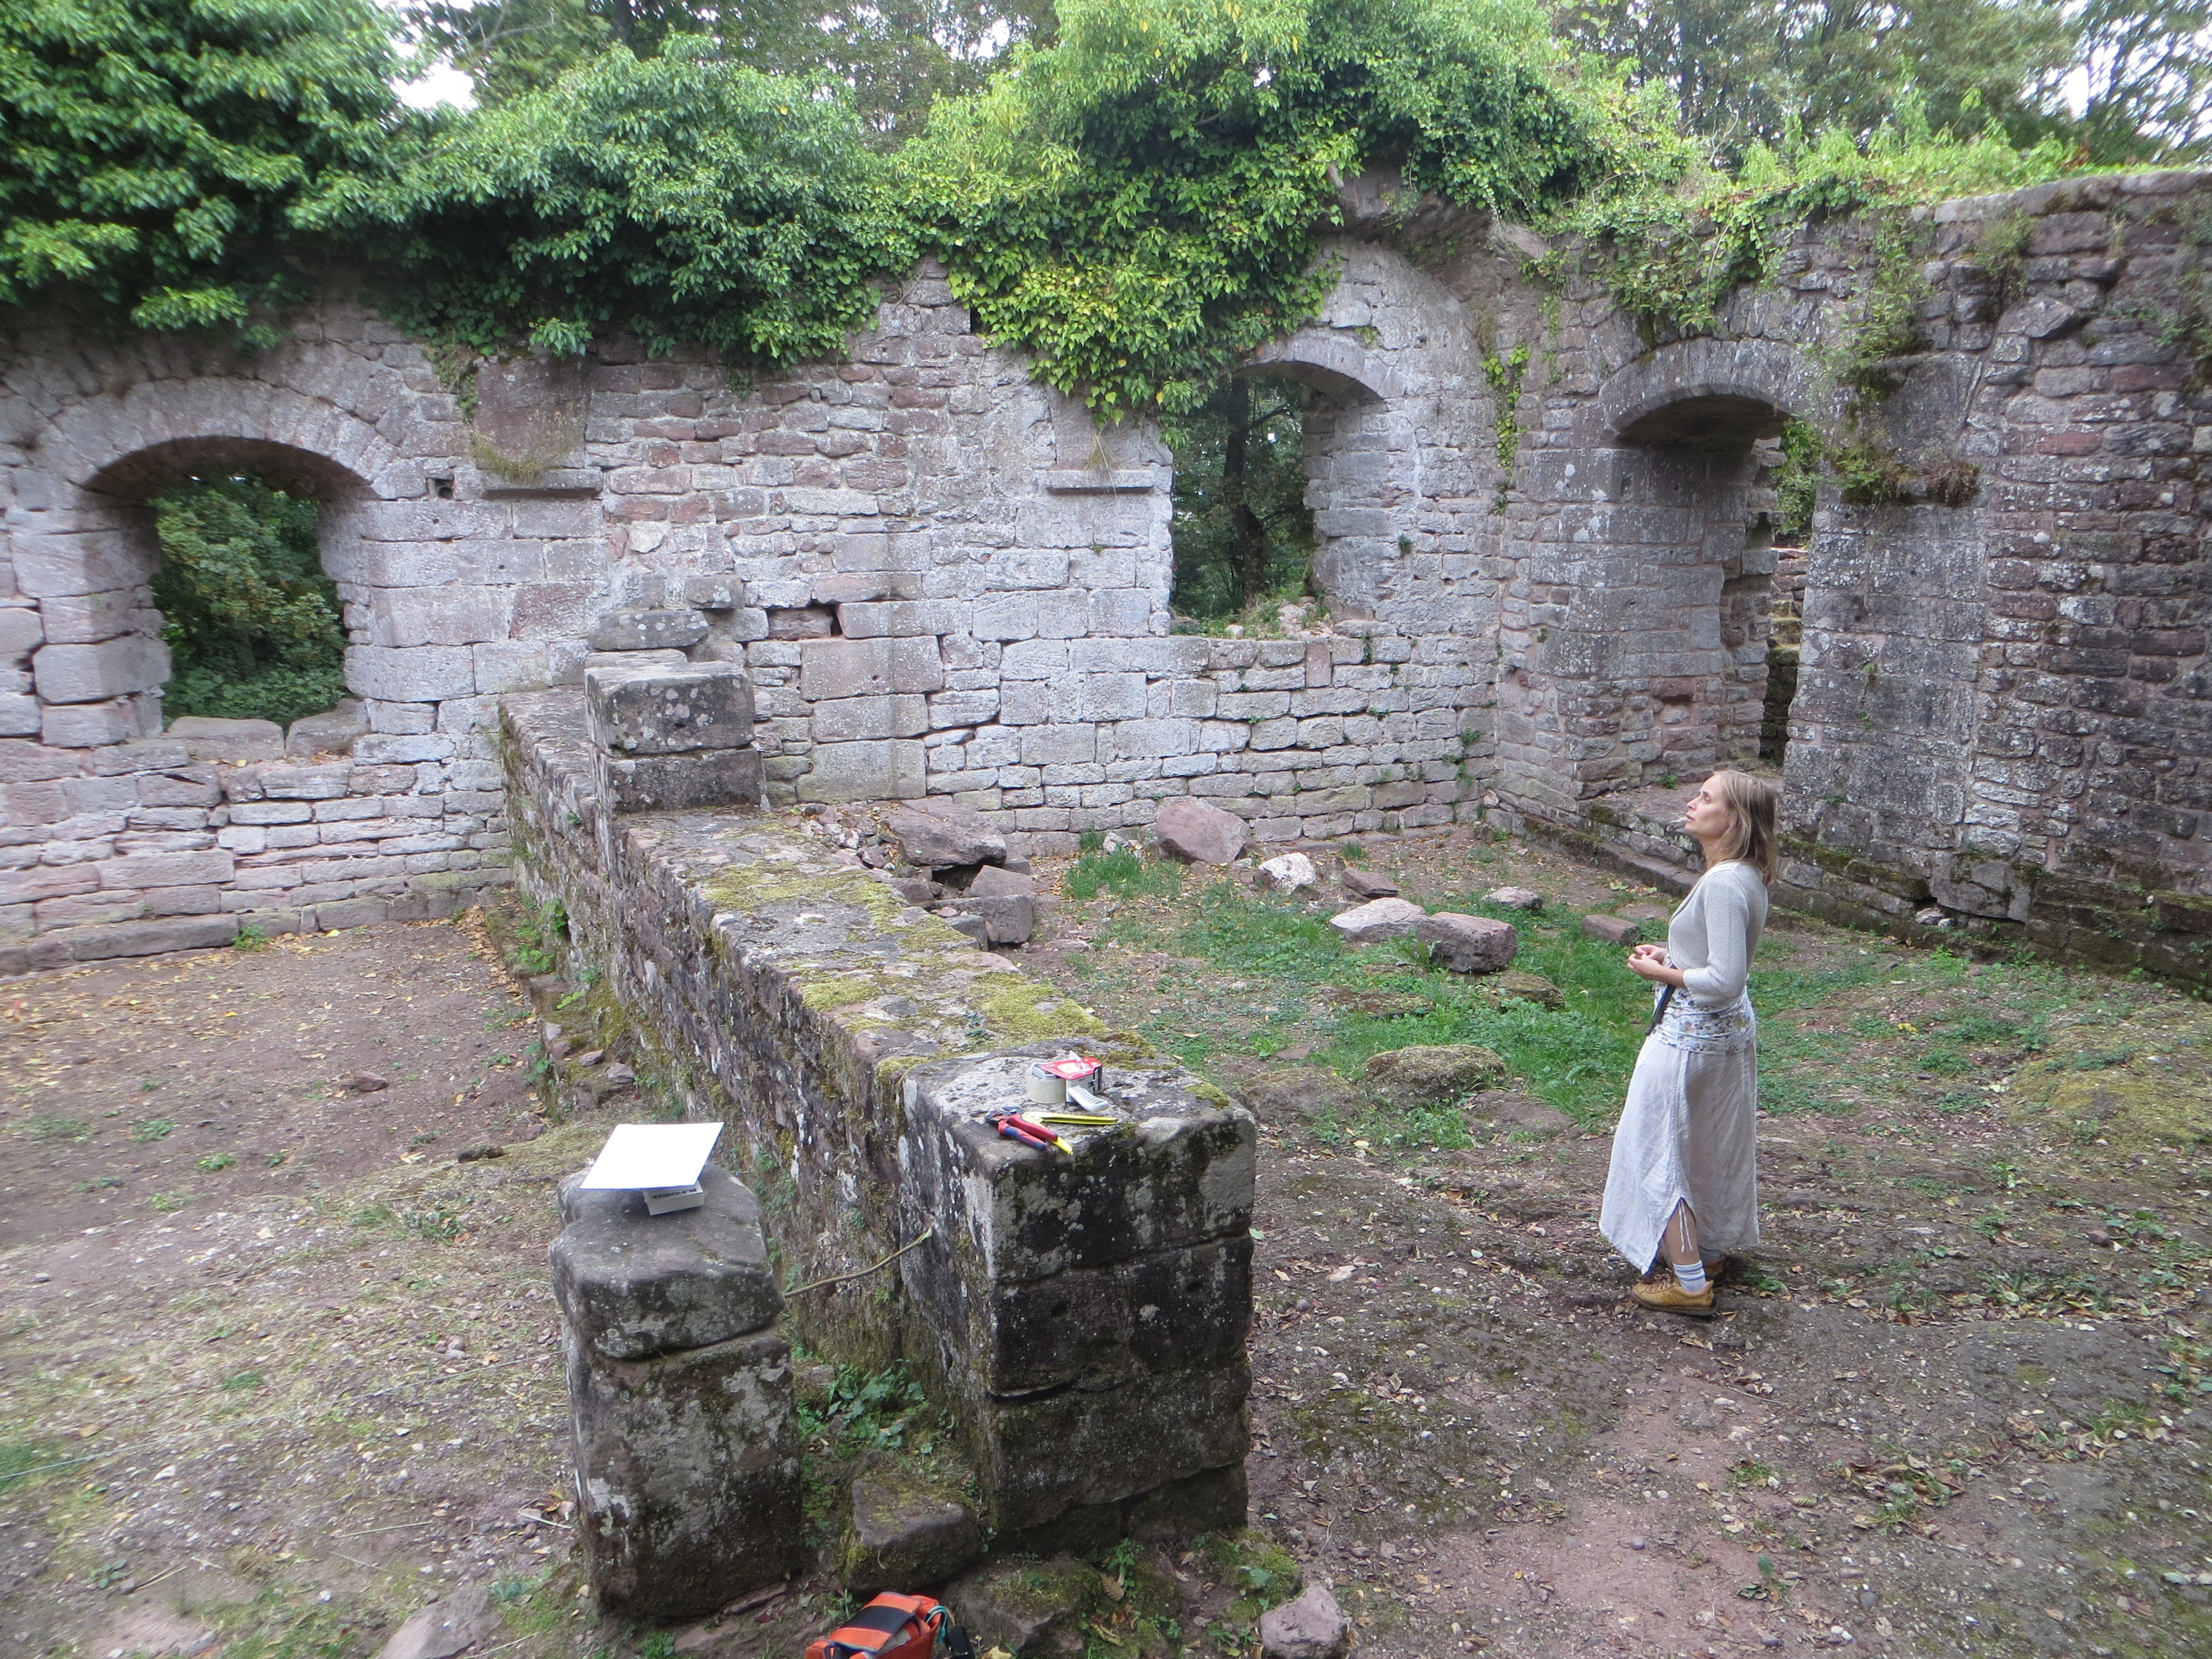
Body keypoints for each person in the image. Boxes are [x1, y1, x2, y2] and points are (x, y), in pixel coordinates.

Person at [1599, 770, 1778, 1316]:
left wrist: (1662, 975)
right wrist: (1674, 956)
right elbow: (1718, 957)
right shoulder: (1742, 875)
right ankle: (1708, 1250)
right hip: (1722, 1036)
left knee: (1656, 1149)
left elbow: (1725, 980)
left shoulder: (1724, 883)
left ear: (1734, 819)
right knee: (1704, 1145)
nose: (1692, 803)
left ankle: (1690, 1283)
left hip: (1691, 1038)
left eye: (1706, 798)